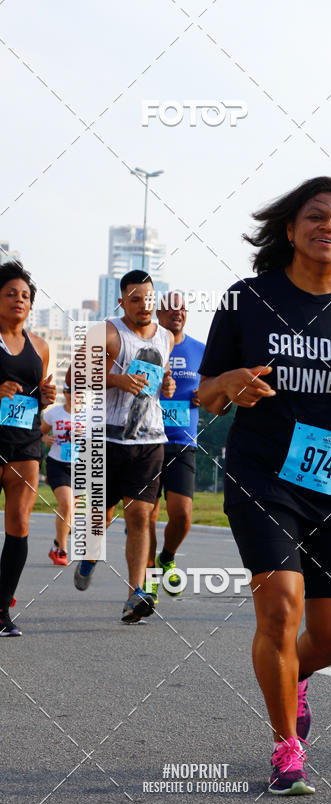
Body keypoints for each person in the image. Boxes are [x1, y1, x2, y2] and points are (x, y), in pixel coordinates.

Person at [197, 177, 331, 795]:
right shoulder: (246, 299)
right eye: (316, 216)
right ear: (290, 228)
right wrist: (232, 381)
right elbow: (204, 395)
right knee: (281, 608)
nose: (329, 227)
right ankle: (287, 749)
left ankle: (295, 676)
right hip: (263, 474)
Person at [69, 270, 175, 623]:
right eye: (135, 300)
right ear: (121, 302)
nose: (144, 307)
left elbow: (160, 377)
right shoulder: (107, 332)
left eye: (148, 299)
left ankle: (135, 594)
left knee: (140, 516)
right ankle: (90, 554)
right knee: (98, 517)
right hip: (105, 439)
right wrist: (115, 379)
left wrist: (168, 384)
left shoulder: (166, 336)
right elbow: (73, 377)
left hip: (149, 440)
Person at [0, 261, 56, 636]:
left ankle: (2, 608)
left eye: (25, 296)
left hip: (25, 445)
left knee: (19, 524)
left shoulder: (40, 346)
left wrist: (48, 397)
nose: (19, 300)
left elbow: (41, 396)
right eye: (10, 294)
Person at [147, 292, 205, 598]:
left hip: (183, 442)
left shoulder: (200, 350)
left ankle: (166, 556)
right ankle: (147, 582)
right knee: (147, 516)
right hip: (147, 441)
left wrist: (204, 396)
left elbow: (215, 392)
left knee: (182, 515)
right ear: (158, 314)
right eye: (170, 309)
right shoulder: (146, 347)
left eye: (182, 308)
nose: (177, 313)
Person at [41, 384, 77, 566]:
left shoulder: (91, 416)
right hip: (58, 464)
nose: (73, 395)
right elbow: (39, 432)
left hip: (80, 467)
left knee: (71, 512)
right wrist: (45, 439)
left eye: (78, 391)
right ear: (64, 393)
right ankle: (62, 550)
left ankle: (56, 544)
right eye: (70, 391)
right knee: (66, 504)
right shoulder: (54, 414)